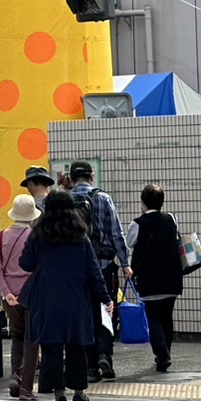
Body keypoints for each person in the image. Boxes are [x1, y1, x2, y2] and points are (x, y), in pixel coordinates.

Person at [20, 189, 111, 401]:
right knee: (76, 347)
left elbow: (26, 264)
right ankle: (79, 394)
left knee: (51, 348)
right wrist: (106, 298)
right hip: (75, 300)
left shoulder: (38, 234)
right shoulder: (80, 235)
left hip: (47, 300)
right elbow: (93, 271)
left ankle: (59, 398)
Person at [67, 161, 127, 382]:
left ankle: (90, 366)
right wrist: (125, 262)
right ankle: (105, 355)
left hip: (75, 270)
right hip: (103, 266)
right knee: (107, 310)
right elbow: (116, 233)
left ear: (72, 178)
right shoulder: (103, 198)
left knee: (85, 316)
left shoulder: (65, 201)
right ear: (92, 177)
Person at [124, 184, 184, 373]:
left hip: (148, 278)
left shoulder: (137, 224)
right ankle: (165, 353)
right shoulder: (171, 219)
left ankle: (162, 355)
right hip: (172, 276)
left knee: (153, 318)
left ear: (143, 203)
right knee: (167, 317)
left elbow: (128, 243)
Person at [0, 194, 39, 399]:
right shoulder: (35, 237)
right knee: (31, 337)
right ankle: (24, 379)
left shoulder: (1, 237)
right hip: (30, 294)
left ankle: (15, 374)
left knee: (17, 335)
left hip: (9, 296)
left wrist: (6, 293)